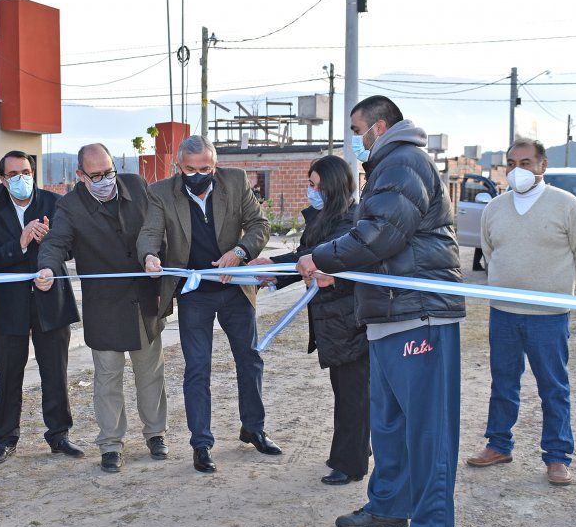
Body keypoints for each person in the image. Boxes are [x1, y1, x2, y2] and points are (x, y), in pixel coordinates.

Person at [297, 96, 465, 527]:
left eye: (356, 128)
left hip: (419, 311)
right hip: (388, 312)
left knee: (427, 426)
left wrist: (323, 257)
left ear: (379, 125)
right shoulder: (386, 166)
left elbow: (380, 234)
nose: (354, 138)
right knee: (388, 423)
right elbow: (378, 241)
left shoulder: (403, 162)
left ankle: (433, 522)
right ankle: (390, 504)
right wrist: (339, 267)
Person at [137, 134, 278, 474]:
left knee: (250, 359)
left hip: (234, 288)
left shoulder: (234, 181)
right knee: (197, 367)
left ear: (215, 165)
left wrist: (240, 252)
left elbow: (259, 224)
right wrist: (150, 257)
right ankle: (201, 443)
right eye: (191, 169)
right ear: (178, 167)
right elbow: (150, 232)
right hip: (193, 291)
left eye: (206, 168)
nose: (199, 174)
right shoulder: (159, 193)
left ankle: (253, 428)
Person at [465, 139, 576, 485]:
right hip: (504, 311)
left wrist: (558, 288)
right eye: (511, 163)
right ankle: (499, 444)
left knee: (553, 387)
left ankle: (557, 456)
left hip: (548, 315)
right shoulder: (495, 207)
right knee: (503, 382)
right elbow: (491, 252)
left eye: (525, 162)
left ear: (543, 165)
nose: (517, 169)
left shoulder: (568, 206)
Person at [37, 144, 168, 473]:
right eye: (95, 175)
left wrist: (154, 257)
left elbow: (156, 229)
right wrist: (48, 270)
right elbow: (57, 243)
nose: (104, 180)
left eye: (108, 172)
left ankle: (156, 434)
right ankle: (111, 443)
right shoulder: (69, 206)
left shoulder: (137, 186)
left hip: (143, 300)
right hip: (105, 305)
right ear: (80, 176)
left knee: (150, 372)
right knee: (108, 377)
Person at [250, 155, 369, 486]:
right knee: (347, 391)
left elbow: (333, 262)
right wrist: (270, 268)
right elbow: (306, 257)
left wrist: (278, 267)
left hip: (350, 321)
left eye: (317, 186)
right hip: (333, 321)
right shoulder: (324, 219)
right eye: (309, 184)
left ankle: (350, 463)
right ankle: (355, 451)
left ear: (334, 187)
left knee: (353, 395)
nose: (311, 191)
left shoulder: (351, 223)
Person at [0, 150, 82, 464]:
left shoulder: (55, 204)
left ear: (33, 173)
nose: (21, 178)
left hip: (51, 300)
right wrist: (21, 243)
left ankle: (59, 435)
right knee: (9, 373)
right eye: (13, 174)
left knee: (55, 370)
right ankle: (6, 439)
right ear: (2, 179)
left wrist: (51, 242)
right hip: (10, 305)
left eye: (25, 171)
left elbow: (73, 248)